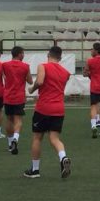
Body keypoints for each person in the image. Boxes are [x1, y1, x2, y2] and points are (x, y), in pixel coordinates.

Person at [23, 45, 72, 179]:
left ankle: (35, 170)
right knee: (55, 139)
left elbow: (40, 81)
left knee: (37, 138)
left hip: (44, 108)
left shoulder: (43, 66)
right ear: (60, 57)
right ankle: (63, 157)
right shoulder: (65, 72)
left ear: (48, 55)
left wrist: (32, 90)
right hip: (59, 108)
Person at [1, 46, 33, 156]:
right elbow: (30, 81)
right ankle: (15, 138)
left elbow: (3, 76)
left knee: (9, 119)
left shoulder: (4, 65)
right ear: (19, 54)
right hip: (19, 97)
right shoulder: (25, 66)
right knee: (18, 120)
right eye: (23, 53)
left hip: (8, 96)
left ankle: (10, 144)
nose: (23, 55)